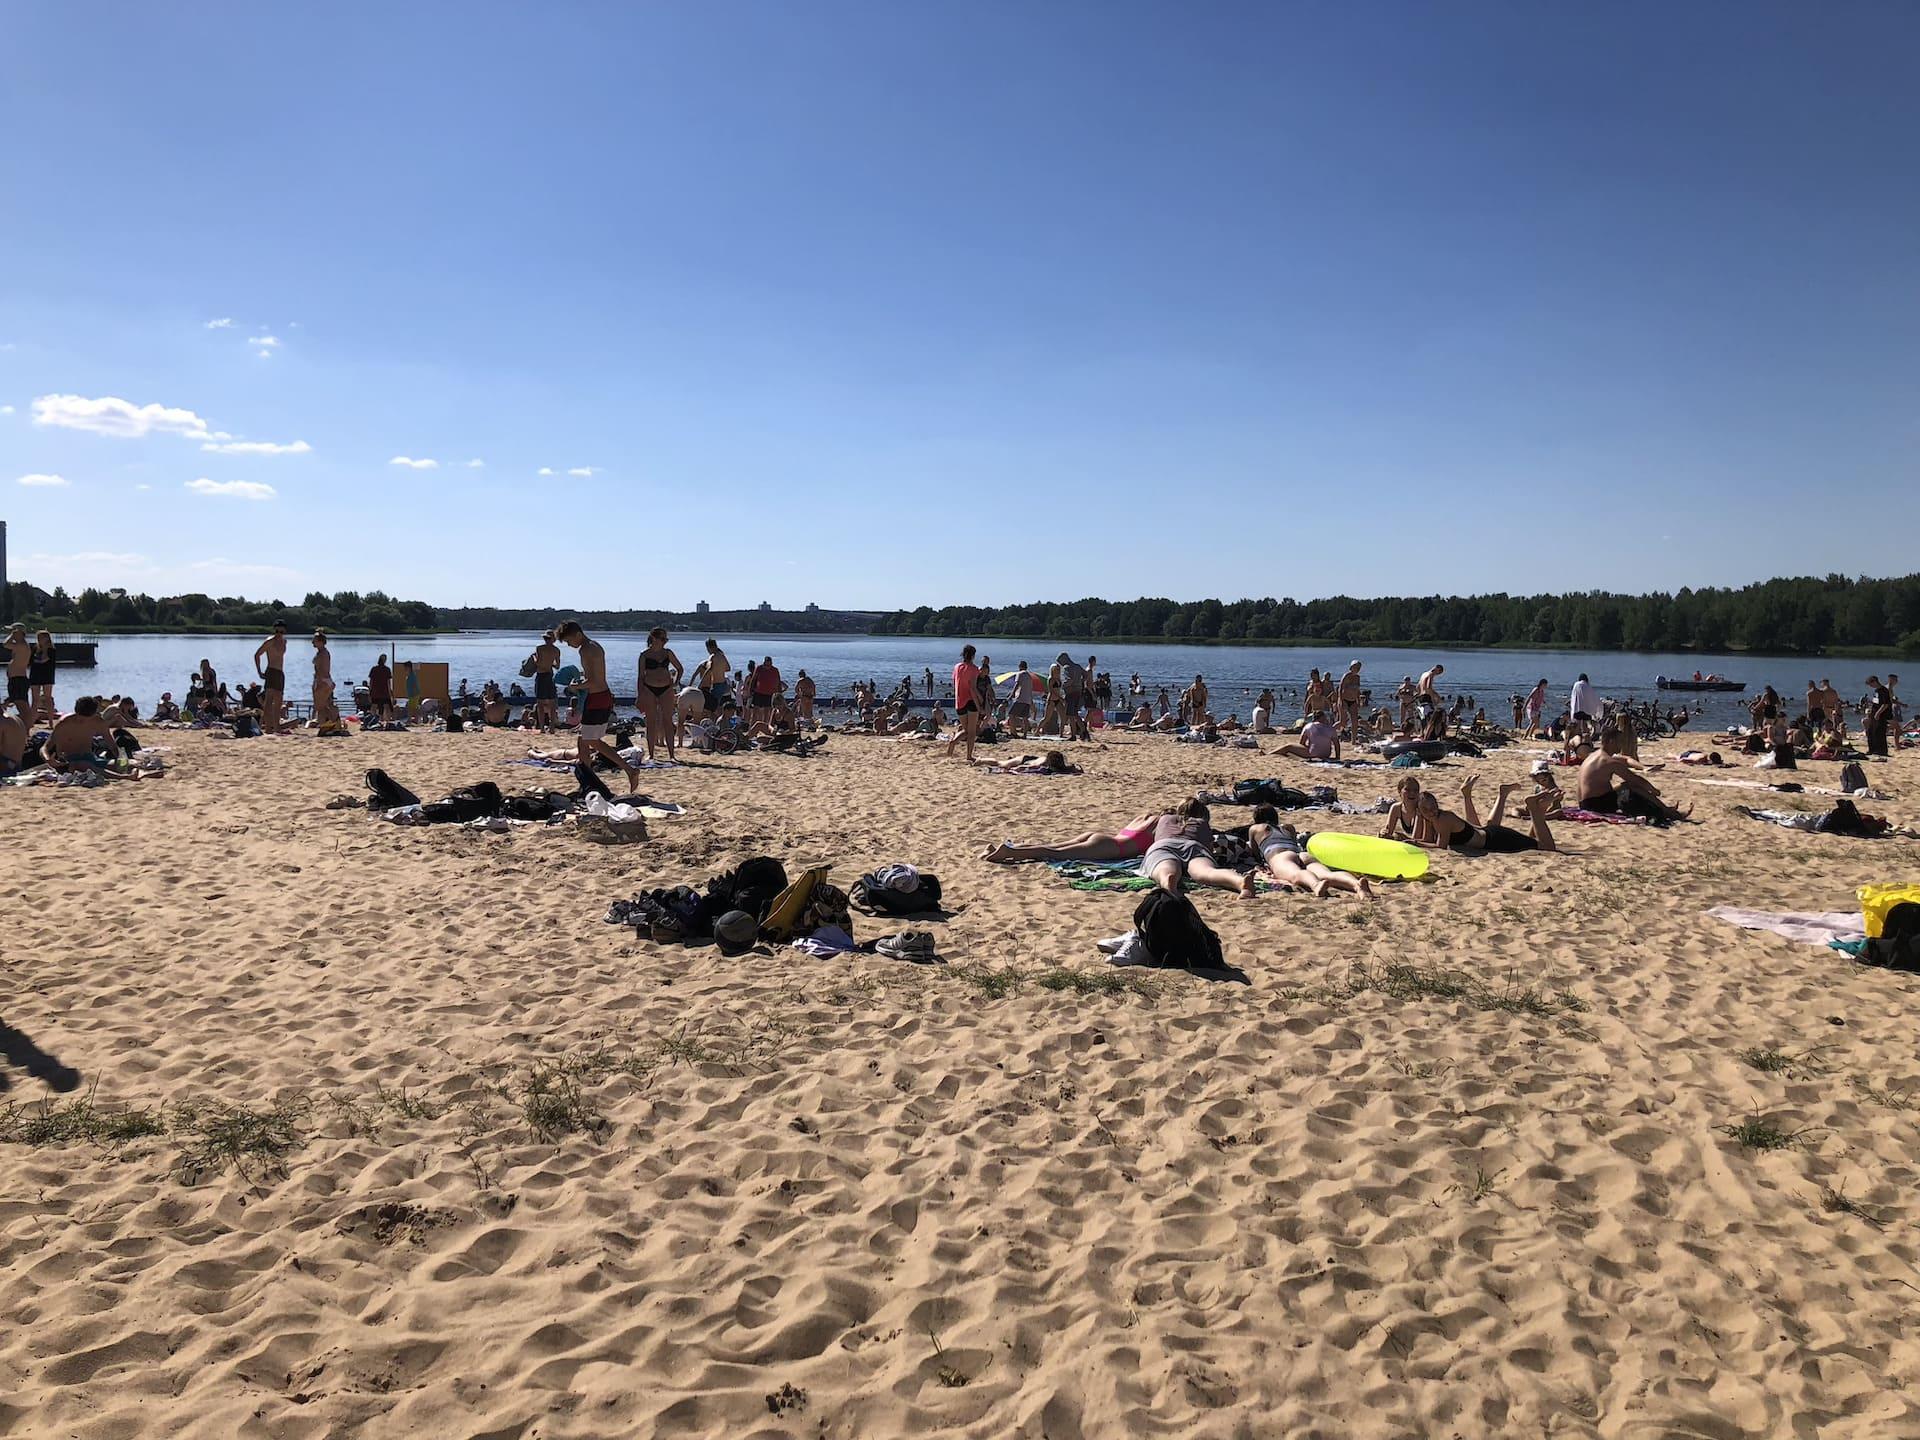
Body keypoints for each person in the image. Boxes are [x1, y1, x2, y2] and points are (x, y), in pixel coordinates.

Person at [556, 619, 641, 791]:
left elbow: (595, 680)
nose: (569, 645)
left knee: (591, 740)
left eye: (569, 641)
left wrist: (575, 686)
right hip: (600, 696)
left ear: (578, 634)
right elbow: (595, 675)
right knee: (583, 740)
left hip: (598, 697)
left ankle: (629, 770)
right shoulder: (594, 646)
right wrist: (581, 681)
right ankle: (588, 780)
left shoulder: (586, 650)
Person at [1247, 806, 1371, 898]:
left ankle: (1316, 885)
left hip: (1280, 856)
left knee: (1296, 874)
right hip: (1302, 854)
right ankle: (1356, 884)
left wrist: (1260, 865)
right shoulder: (1288, 828)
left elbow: (1255, 853)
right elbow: (1295, 843)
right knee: (1327, 874)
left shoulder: (1255, 828)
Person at [1140, 801, 1254, 898]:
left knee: (1165, 868)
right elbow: (1209, 847)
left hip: (1164, 845)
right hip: (1194, 846)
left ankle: (1168, 881)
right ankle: (1239, 881)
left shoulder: (1164, 818)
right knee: (1207, 872)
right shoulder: (1201, 823)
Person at [1415, 777, 1557, 854]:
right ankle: (1539, 810)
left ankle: (1534, 808)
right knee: (1532, 842)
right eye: (1426, 810)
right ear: (1420, 812)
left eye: (1433, 807)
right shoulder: (1431, 819)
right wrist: (1408, 840)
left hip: (1496, 840)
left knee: (1547, 847)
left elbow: (1441, 847)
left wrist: (1414, 843)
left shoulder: (1442, 819)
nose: (1431, 811)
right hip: (1490, 834)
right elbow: (1427, 839)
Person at [1577, 729, 1691, 822]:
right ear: (1611, 741)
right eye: (1619, 741)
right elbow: (1635, 779)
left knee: (1623, 785)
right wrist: (1653, 790)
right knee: (1631, 785)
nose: (1621, 745)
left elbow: (1626, 762)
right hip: (1596, 805)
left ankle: (1666, 808)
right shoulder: (1608, 761)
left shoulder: (1594, 755)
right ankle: (1667, 811)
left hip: (1584, 803)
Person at [635, 628, 684, 761]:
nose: (665, 642)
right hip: (649, 689)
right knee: (651, 722)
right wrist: (640, 695)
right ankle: (651, 754)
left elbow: (680, 668)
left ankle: (672, 755)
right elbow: (640, 676)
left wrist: (675, 683)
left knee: (667, 721)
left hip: (666, 689)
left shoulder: (667, 653)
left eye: (666, 639)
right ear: (654, 638)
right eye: (663, 639)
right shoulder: (644, 655)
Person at [47, 696, 123, 773]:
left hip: (91, 758)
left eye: (87, 719)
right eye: (80, 719)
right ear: (76, 712)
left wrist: (119, 758)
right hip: (70, 761)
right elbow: (45, 748)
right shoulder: (64, 723)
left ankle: (116, 772)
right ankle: (124, 777)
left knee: (130, 764)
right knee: (84, 765)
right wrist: (48, 760)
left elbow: (111, 744)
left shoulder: (98, 722)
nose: (82, 722)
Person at [947, 644, 984, 763]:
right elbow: (972, 688)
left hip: (959, 701)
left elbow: (955, 682)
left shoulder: (957, 667)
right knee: (972, 732)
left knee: (966, 730)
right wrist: (979, 704)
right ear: (973, 655)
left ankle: (953, 742)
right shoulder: (974, 669)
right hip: (970, 701)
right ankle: (969, 755)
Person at [253, 622, 289, 732]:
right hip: (271, 671)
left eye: (281, 632)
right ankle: (268, 727)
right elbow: (257, 654)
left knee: (279, 700)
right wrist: (259, 671)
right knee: (269, 700)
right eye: (277, 631)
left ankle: (276, 726)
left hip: (280, 672)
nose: (279, 634)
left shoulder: (284, 641)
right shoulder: (270, 641)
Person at [1274, 710, 1341, 762]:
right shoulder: (1331, 728)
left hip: (1312, 754)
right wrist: (1337, 757)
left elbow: (1301, 743)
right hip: (1326, 754)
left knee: (1288, 746)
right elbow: (1336, 744)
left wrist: (1310, 746)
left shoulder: (1308, 726)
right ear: (1323, 718)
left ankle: (1269, 754)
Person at [27, 630, 57, 725]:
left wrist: (44, 648)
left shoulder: (51, 650)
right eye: (38, 638)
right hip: (35, 675)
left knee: (47, 698)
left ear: (47, 638)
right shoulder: (35, 649)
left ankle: (51, 721)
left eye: (41, 638)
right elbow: (30, 662)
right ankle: (32, 721)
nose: (39, 640)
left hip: (47, 675)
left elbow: (44, 660)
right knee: (35, 699)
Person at [2, 625, 30, 724]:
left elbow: (5, 644)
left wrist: (11, 635)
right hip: (15, 679)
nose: (12, 634)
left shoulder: (22, 645)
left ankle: (25, 729)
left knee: (22, 707)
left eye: (14, 632)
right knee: (17, 704)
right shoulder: (19, 645)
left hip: (18, 679)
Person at [310, 631, 338, 726]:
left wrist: (320, 682)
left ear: (320, 641)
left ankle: (328, 724)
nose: (313, 642)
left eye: (315, 640)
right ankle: (332, 723)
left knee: (320, 706)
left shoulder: (323, 653)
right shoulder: (321, 652)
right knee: (324, 706)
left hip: (323, 680)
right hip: (325, 680)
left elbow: (323, 670)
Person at [699, 638, 732, 716]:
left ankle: (715, 723)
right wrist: (719, 669)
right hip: (723, 684)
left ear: (710, 647)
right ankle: (719, 722)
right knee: (717, 706)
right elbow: (728, 668)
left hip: (716, 685)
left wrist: (701, 683)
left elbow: (709, 669)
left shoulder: (712, 656)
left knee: (711, 708)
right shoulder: (722, 656)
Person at [1864, 674, 1893, 757]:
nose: (1870, 686)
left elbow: (1885, 704)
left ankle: (1881, 750)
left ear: (1875, 682)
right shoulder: (1876, 691)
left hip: (1881, 715)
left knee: (1879, 732)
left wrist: (1878, 713)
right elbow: (1876, 702)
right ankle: (1872, 749)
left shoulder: (1883, 690)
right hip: (1873, 714)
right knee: (1870, 731)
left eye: (1870, 684)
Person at [749, 655, 782, 728]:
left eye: (769, 664)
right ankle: (751, 728)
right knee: (755, 712)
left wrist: (779, 693)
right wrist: (750, 690)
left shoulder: (775, 670)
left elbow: (778, 682)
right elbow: (753, 679)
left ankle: (764, 728)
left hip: (770, 694)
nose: (767, 666)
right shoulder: (759, 668)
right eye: (766, 664)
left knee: (767, 713)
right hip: (758, 692)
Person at [1007, 660, 1037, 737]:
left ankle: (1013, 733)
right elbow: (1030, 689)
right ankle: (1025, 734)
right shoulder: (1029, 676)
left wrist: (1012, 694)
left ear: (1019, 666)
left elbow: (1017, 684)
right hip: (1027, 700)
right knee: (1025, 718)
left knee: (1011, 714)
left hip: (1020, 698)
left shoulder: (1019, 674)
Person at [1336, 661, 1363, 740]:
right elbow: (1340, 689)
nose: (1357, 669)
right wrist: (1341, 701)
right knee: (1343, 722)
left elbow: (1358, 690)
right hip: (1344, 699)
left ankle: (1353, 741)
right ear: (1351, 667)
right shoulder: (1346, 676)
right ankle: (1329, 732)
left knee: (1355, 722)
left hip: (1353, 700)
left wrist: (1358, 700)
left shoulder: (1358, 677)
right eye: (1355, 667)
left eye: (1358, 668)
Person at [367, 653, 395, 726]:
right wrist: (391, 693)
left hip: (376, 692)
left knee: (374, 706)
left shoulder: (374, 669)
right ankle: (387, 721)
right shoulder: (387, 670)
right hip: (384, 692)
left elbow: (371, 682)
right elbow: (388, 683)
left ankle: (373, 720)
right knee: (386, 707)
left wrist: (370, 691)